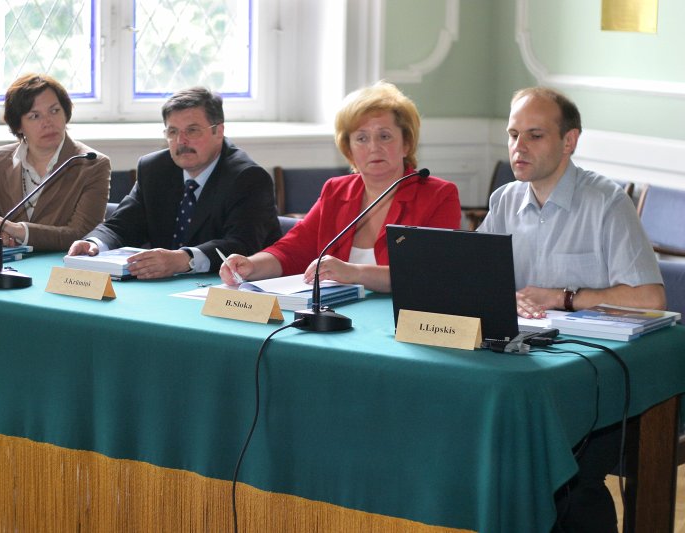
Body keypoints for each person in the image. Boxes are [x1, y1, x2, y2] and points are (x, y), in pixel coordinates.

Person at [478, 87, 665, 533]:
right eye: (512, 134)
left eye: (534, 135)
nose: (518, 147)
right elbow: (476, 275)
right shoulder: (505, 200)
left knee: (568, 482)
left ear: (569, 141)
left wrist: (565, 296)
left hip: (593, 383)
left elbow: (651, 298)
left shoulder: (606, 202)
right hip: (523, 371)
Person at [219, 81, 461, 292]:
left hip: (402, 320)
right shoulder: (336, 190)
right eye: (361, 138)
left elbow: (427, 274)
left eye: (385, 136)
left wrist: (354, 273)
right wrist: (252, 265)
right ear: (349, 150)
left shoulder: (439, 195)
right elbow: (293, 249)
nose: (374, 147)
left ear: (406, 143)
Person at [67, 87, 281, 279]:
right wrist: (94, 244)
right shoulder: (154, 169)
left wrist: (183, 259)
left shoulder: (248, 178)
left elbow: (241, 245)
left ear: (219, 131)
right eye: (173, 131)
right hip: (166, 287)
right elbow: (122, 225)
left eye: (192, 130)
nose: (181, 141)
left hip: (232, 290)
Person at [0, 73, 110, 251]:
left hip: (62, 270)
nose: (48, 122)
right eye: (35, 116)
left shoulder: (91, 164)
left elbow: (82, 234)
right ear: (18, 125)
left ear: (66, 114)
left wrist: (19, 230)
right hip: (8, 267)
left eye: (54, 111)